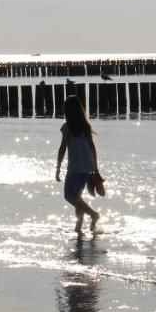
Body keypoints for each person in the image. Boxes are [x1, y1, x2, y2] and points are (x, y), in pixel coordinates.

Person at [55, 96, 101, 235]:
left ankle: (93, 214)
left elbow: (62, 148)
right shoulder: (85, 126)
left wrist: (58, 167)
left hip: (75, 167)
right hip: (86, 166)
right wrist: (95, 166)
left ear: (67, 111)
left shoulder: (67, 127)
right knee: (77, 196)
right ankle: (78, 227)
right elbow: (92, 148)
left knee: (69, 196)